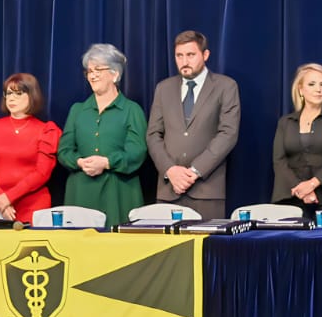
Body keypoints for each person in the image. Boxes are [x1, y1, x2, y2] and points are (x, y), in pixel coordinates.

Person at [145, 30, 242, 220]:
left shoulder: (226, 86)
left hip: (206, 191)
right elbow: (153, 135)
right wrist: (170, 170)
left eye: (190, 55)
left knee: (206, 248)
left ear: (205, 55)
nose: (184, 61)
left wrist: (194, 171)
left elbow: (228, 134)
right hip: (169, 191)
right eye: (179, 56)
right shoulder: (163, 88)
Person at [57, 44, 147, 226]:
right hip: (81, 192)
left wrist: (107, 162)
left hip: (118, 192)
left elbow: (137, 151)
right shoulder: (77, 110)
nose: (92, 75)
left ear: (115, 74)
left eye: (98, 69)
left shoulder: (131, 110)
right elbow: (64, 150)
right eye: (89, 71)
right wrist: (79, 162)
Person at [0, 73, 60, 223]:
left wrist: (9, 197)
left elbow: (42, 173)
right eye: (8, 93)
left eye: (18, 93)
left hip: (33, 208)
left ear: (32, 96)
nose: (11, 98)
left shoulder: (46, 130)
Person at [270, 62, 322, 217]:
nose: (318, 89)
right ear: (300, 89)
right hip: (290, 196)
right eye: (312, 84)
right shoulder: (285, 122)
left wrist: (312, 184)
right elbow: (279, 161)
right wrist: (302, 190)